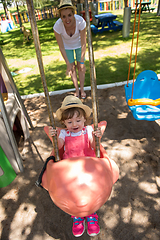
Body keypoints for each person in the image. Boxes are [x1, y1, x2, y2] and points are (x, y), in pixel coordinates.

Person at [49, 95, 102, 237]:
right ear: (64, 122)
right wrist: (54, 138)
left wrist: (97, 138)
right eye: (69, 121)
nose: (74, 124)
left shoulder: (88, 130)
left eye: (78, 120)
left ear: (85, 119)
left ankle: (91, 214)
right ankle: (76, 215)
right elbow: (59, 147)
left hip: (87, 167)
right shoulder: (64, 133)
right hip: (70, 169)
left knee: (89, 191)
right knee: (72, 192)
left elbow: (92, 144)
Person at [53, 0, 87, 99]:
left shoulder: (81, 21)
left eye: (69, 15)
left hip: (79, 45)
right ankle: (76, 89)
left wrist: (81, 61)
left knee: (81, 67)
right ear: (60, 17)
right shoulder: (57, 26)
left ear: (73, 14)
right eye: (64, 16)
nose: (67, 19)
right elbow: (61, 47)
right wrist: (68, 63)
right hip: (67, 47)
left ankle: (82, 89)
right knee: (71, 68)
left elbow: (84, 43)